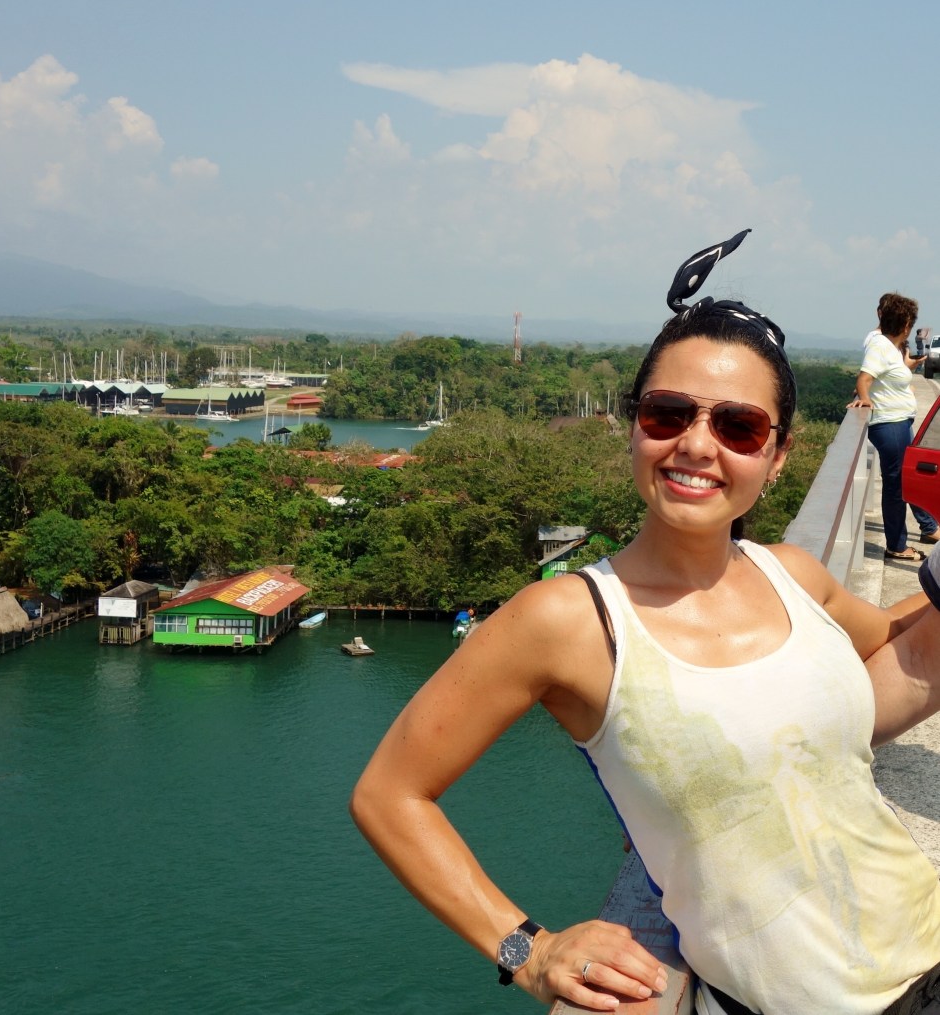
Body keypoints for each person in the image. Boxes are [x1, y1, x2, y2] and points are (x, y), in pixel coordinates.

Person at [352, 230, 940, 1015]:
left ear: (779, 457)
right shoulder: (568, 619)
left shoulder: (794, 575)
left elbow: (893, 650)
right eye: (669, 413)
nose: (696, 444)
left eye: (738, 426)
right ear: (633, 425)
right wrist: (529, 948)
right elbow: (390, 793)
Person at [850, 293, 940, 559]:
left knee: (904, 480)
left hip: (899, 422)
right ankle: (897, 546)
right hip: (890, 425)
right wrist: (864, 399)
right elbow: (864, 379)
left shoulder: (888, 346)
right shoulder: (880, 345)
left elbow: (886, 375)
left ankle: (922, 529)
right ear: (906, 325)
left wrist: (907, 367)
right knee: (896, 486)